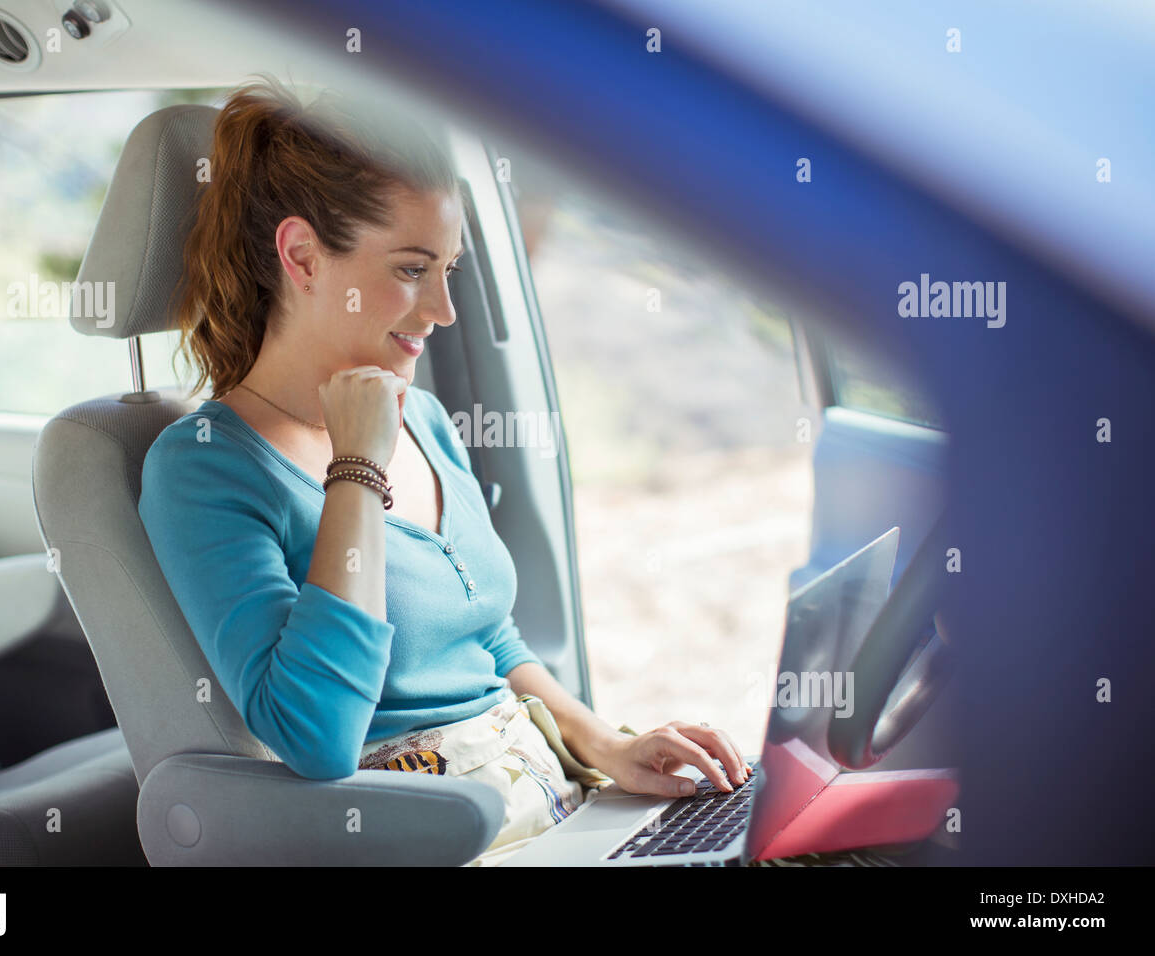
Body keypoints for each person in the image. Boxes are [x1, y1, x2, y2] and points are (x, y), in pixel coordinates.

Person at [137, 78, 751, 865]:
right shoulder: (203, 470)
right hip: (435, 837)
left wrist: (607, 745)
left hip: (557, 800)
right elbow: (314, 736)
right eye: (410, 269)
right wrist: (355, 469)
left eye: (448, 270)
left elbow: (487, 636)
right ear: (301, 256)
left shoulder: (419, 416)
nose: (442, 309)